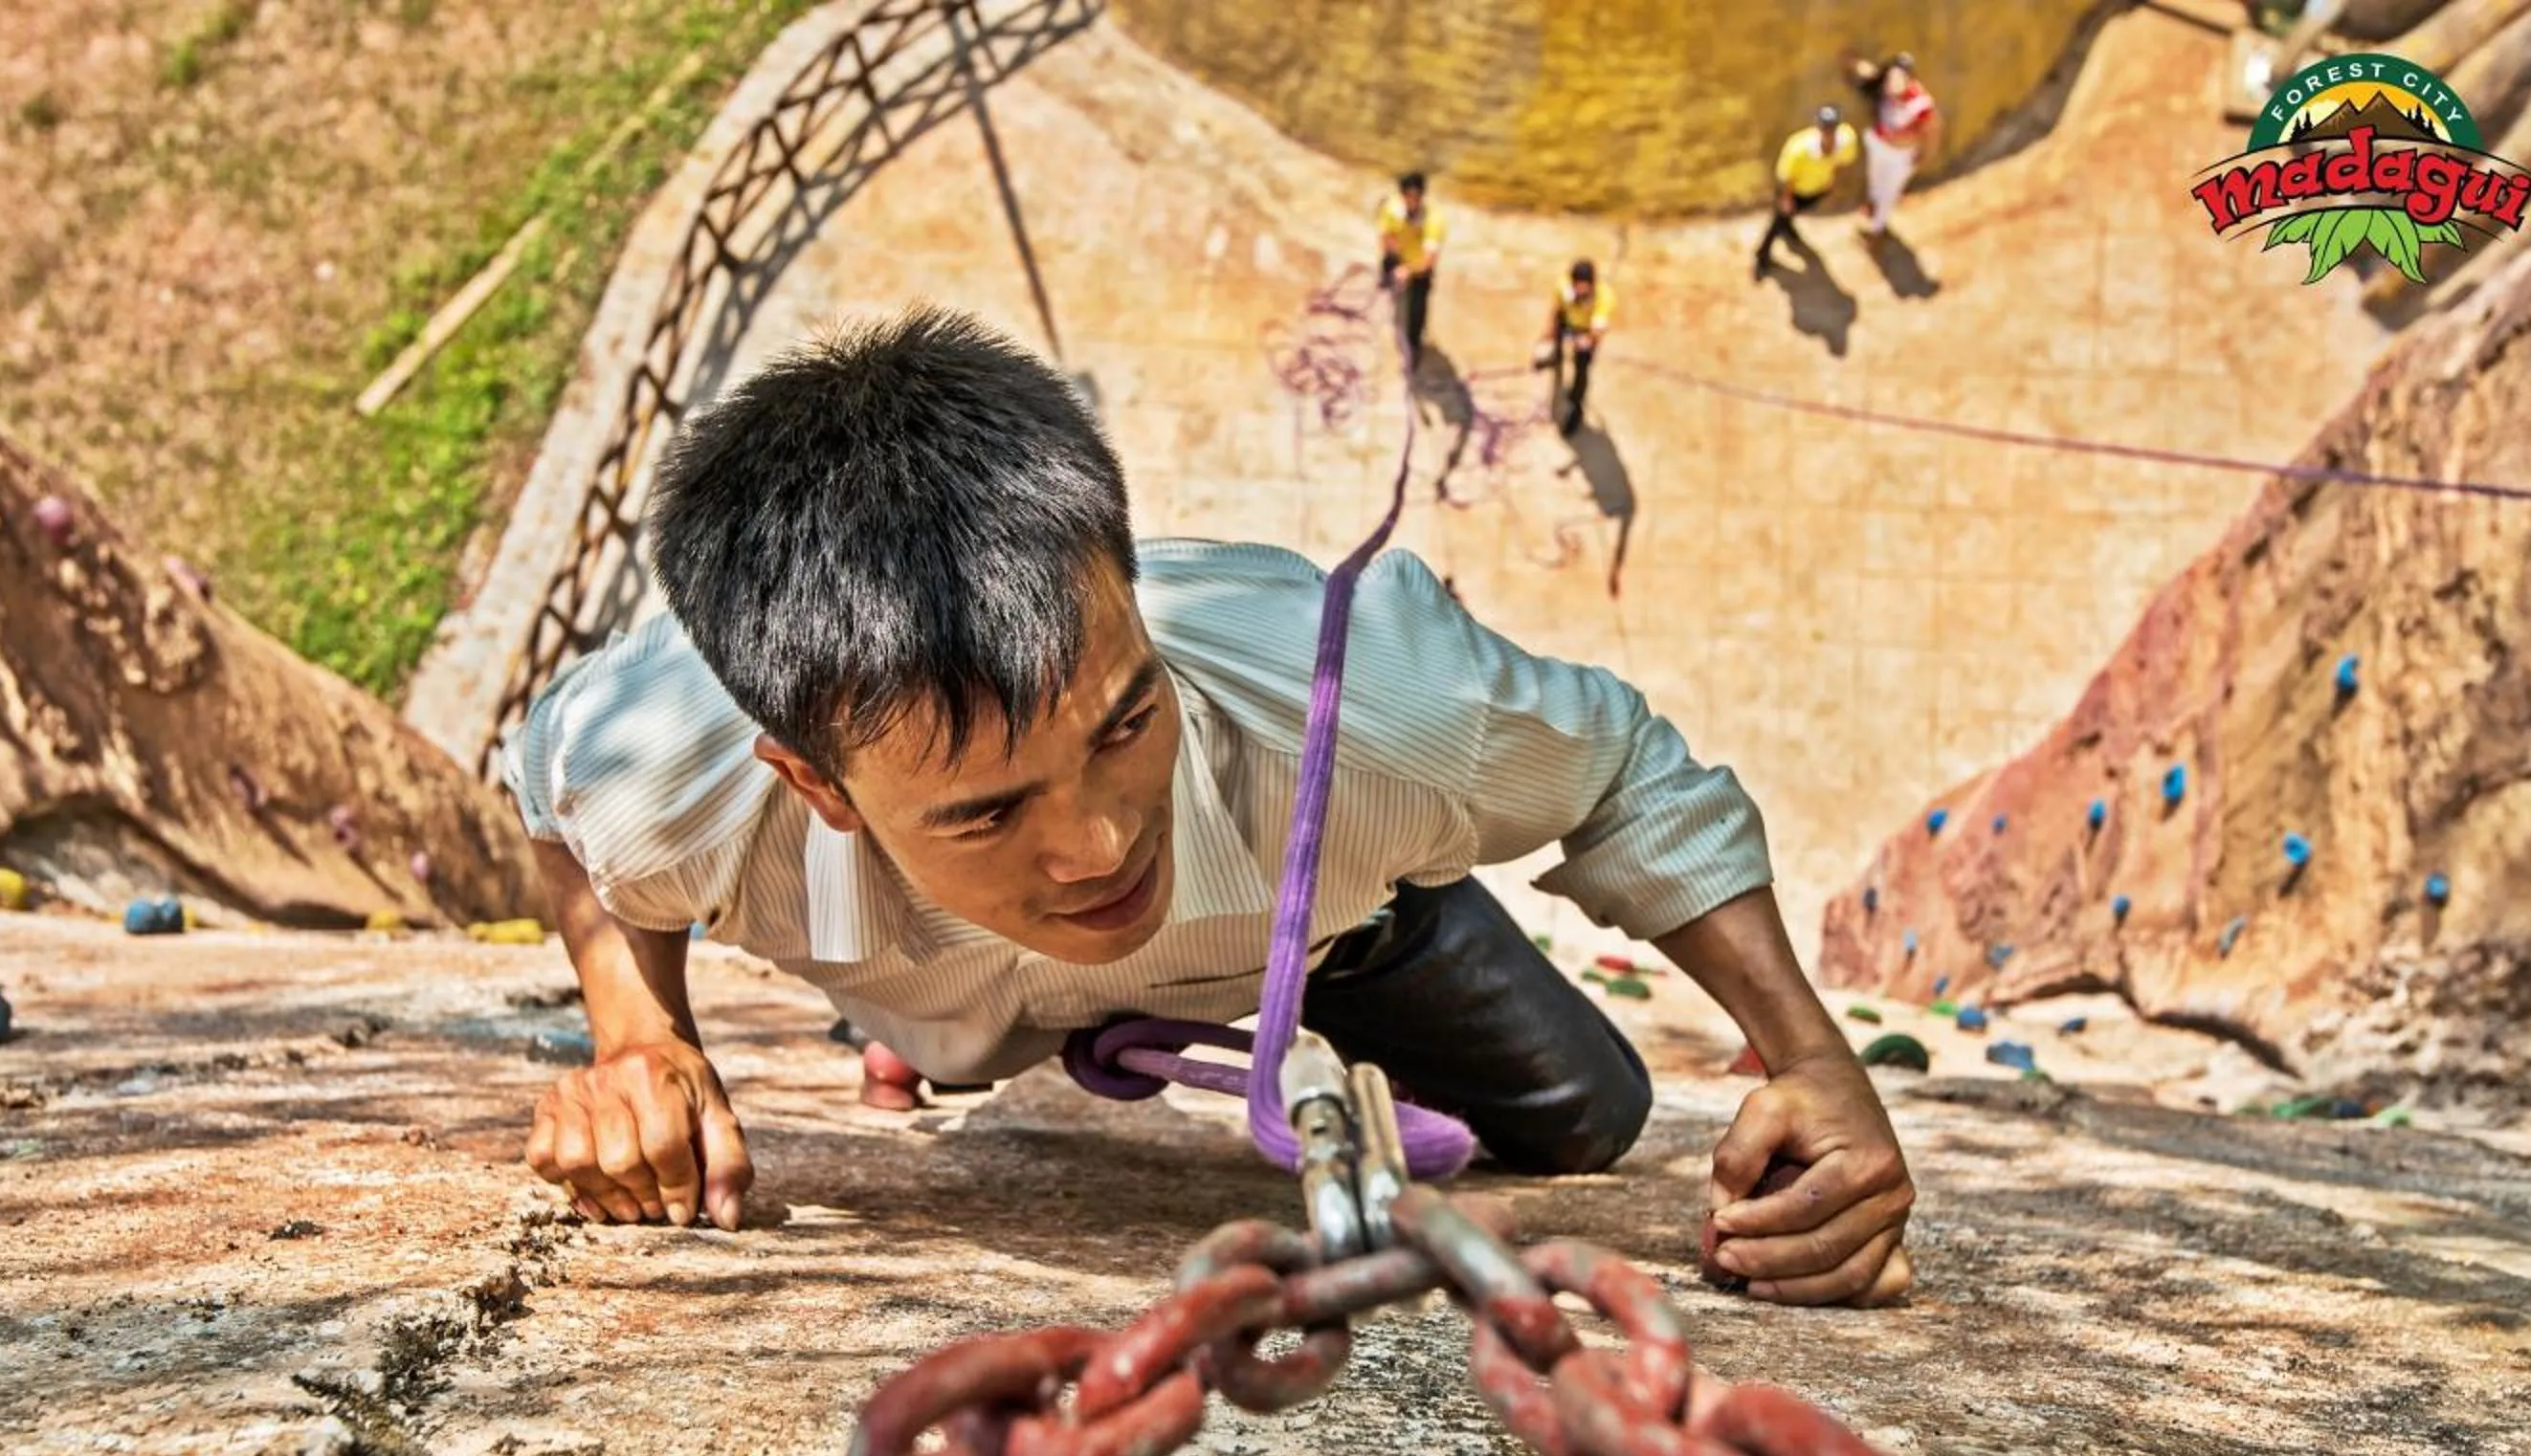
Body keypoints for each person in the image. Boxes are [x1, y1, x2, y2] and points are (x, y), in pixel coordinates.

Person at [507, 309, 1918, 1308]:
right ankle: (943, 1033)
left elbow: (1626, 770)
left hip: (1328, 930)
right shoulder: (663, 761)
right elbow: (561, 822)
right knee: (958, 1040)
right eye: (988, 816)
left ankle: (995, 986)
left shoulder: (1373, 699)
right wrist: (643, 1040)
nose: (1103, 847)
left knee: (1588, 1120)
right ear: (814, 783)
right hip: (941, 986)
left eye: (1127, 724)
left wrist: (1813, 1058)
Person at [1757, 104, 1857, 278]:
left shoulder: (1847, 140)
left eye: (1832, 128)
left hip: (1818, 189)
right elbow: (1787, 177)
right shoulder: (1799, 148)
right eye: (1826, 128)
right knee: (1777, 222)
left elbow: (1842, 162)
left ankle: (1788, 228)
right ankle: (1762, 256)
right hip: (1793, 192)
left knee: (1790, 216)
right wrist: (1786, 199)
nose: (1829, 133)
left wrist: (1833, 182)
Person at [1849, 50, 1942, 236]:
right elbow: (1867, 71)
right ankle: (1871, 207)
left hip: (1900, 155)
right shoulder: (1884, 86)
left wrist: (1925, 155)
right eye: (1894, 74)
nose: (1895, 80)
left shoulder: (1919, 104)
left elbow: (1932, 130)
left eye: (1901, 76)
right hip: (1879, 145)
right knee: (1875, 181)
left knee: (1888, 193)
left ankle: (1877, 228)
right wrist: (1851, 60)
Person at [1374, 170, 1444, 362]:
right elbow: (1386, 236)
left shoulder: (1434, 220)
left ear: (1422, 196)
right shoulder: (1391, 209)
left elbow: (1430, 258)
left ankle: (1414, 346)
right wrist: (1395, 257)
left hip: (1419, 265)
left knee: (1417, 310)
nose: (1412, 200)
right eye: (1408, 196)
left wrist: (1409, 270)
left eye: (1416, 196)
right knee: (1387, 267)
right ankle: (1386, 286)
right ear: (1402, 195)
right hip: (1399, 255)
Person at [1541, 259, 1612, 437]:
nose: (1579, 290)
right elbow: (1557, 309)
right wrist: (1550, 329)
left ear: (1592, 285)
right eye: (1576, 286)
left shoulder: (1604, 299)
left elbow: (1599, 328)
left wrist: (1588, 341)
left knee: (1582, 369)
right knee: (1557, 336)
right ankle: (1555, 357)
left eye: (1583, 287)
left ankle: (1576, 407)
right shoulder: (1564, 287)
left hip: (1587, 331)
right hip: (1568, 320)